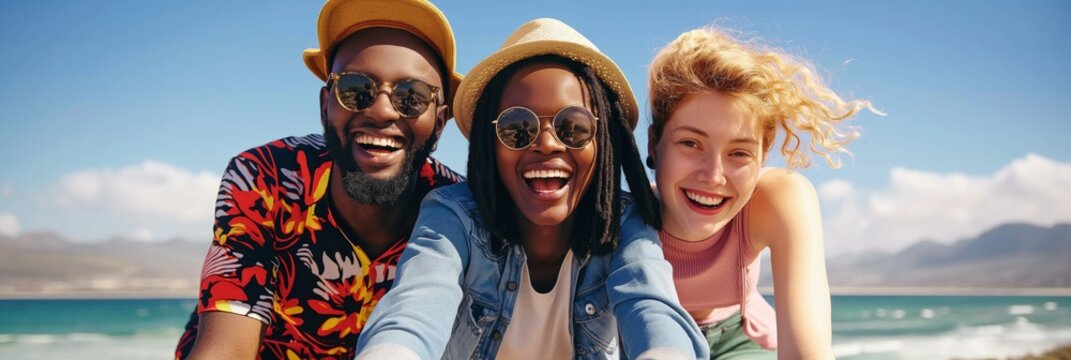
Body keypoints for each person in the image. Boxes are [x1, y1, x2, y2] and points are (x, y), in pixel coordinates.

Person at [354, 18, 708, 360]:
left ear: (604, 141)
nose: (548, 144)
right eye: (517, 127)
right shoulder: (453, 216)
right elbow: (417, 305)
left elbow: (650, 303)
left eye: (573, 126)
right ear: (488, 145)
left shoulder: (625, 223)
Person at [174, 0, 464, 358]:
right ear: (326, 104)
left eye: (413, 97)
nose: (382, 110)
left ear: (439, 122)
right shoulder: (266, 178)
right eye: (356, 89)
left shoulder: (459, 212)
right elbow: (226, 350)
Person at [645, 27, 881, 359]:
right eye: (690, 143)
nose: (713, 176)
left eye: (739, 153)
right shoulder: (621, 215)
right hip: (646, 339)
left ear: (763, 155)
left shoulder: (776, 199)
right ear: (654, 143)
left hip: (742, 338)